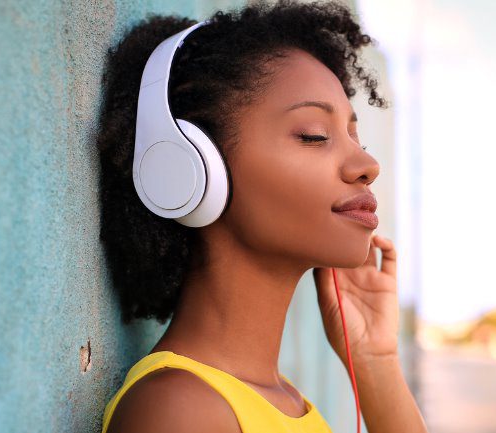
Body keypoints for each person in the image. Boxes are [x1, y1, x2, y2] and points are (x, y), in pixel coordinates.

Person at [97, 1, 428, 432]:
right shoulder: (181, 410)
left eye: (355, 136)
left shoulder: (285, 402)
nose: (367, 163)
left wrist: (375, 360)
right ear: (191, 168)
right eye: (314, 135)